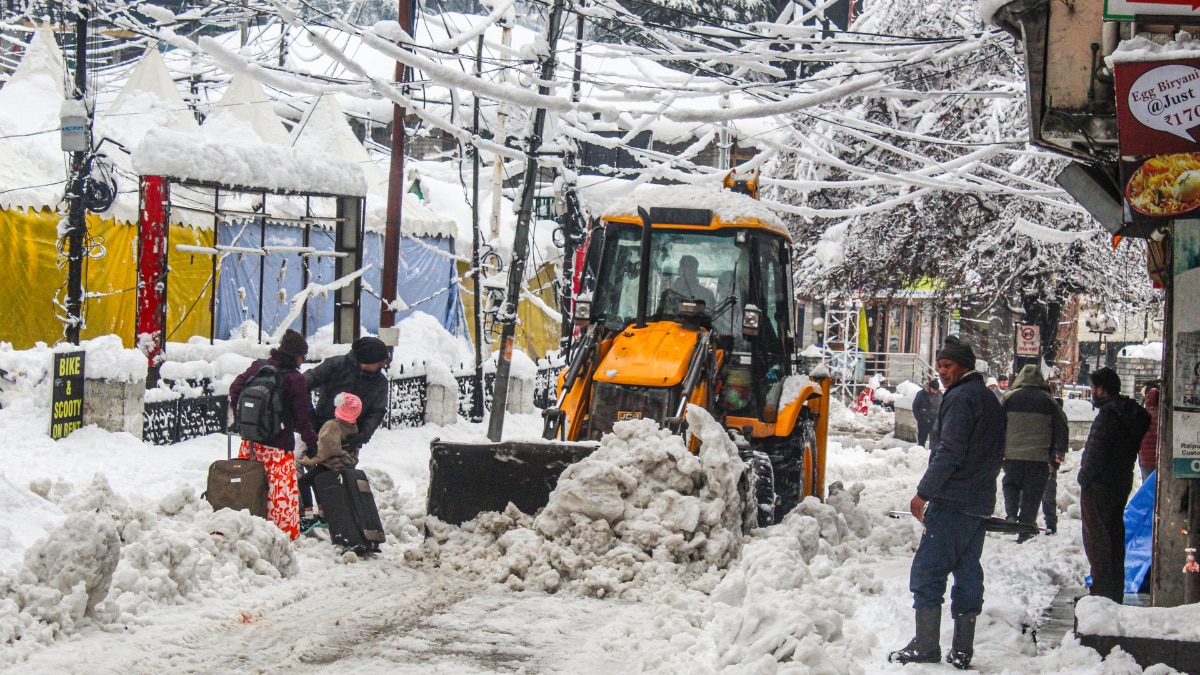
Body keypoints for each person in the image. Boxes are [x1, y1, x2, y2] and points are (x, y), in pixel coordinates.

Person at [890, 336, 1005, 669]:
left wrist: (923, 492)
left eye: (948, 365)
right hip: (979, 501)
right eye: (939, 366)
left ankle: (926, 646)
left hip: (953, 501)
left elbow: (949, 452)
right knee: (968, 571)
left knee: (927, 572)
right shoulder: (989, 399)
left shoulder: (960, 399)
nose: (942, 372)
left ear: (964, 366)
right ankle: (962, 650)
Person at [229, 329, 320, 540]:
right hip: (278, 448)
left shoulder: (259, 367)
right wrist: (311, 442)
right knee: (279, 498)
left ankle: (247, 530)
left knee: (250, 488)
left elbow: (236, 388)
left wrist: (242, 417)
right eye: (302, 357)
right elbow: (301, 418)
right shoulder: (295, 379)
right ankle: (280, 537)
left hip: (251, 444)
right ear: (295, 356)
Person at [1079, 367, 1151, 602]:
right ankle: (1114, 591)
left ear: (1101, 389)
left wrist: (1084, 478)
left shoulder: (1109, 415)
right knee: (1113, 537)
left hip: (1099, 486)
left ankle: (1101, 594)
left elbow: (1096, 454)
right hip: (1120, 483)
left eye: (1093, 387)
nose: (1092, 392)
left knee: (1098, 541)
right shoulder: (1131, 415)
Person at [1000, 364, 1069, 543]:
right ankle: (1026, 526)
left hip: (1012, 455)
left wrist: (998, 451)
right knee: (1032, 492)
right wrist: (1057, 456)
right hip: (1038, 458)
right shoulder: (1049, 401)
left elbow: (996, 425)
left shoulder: (1008, 398)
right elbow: (1061, 428)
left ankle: (1011, 515)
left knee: (1011, 484)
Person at [304, 336, 390, 457]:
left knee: (338, 472)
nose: (382, 366)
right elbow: (303, 384)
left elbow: (377, 412)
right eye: (379, 362)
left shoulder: (380, 382)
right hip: (319, 429)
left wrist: (362, 436)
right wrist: (311, 421)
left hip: (349, 439)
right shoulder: (335, 366)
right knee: (298, 459)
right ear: (366, 361)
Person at [297, 392, 362, 532]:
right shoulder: (353, 426)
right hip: (346, 464)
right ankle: (322, 513)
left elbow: (325, 450)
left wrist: (310, 460)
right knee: (315, 479)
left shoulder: (333, 426)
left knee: (304, 481)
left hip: (332, 464)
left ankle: (308, 516)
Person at [1042, 382, 1068, 536]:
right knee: (1047, 493)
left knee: (1047, 493)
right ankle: (1049, 524)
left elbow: (1061, 435)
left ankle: (1050, 524)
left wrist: (1055, 458)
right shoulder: (1053, 410)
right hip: (1042, 457)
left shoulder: (1054, 410)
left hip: (1047, 458)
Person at [912, 378, 942, 449]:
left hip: (934, 421)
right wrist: (919, 419)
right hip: (923, 421)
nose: (935, 392)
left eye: (936, 390)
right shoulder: (921, 394)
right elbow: (915, 407)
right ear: (930, 388)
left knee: (934, 441)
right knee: (922, 440)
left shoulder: (940, 395)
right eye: (934, 390)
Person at [1139, 387, 1160, 481]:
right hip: (1158, 458)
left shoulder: (1142, 416)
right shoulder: (1162, 417)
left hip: (1145, 459)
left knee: (1146, 484)